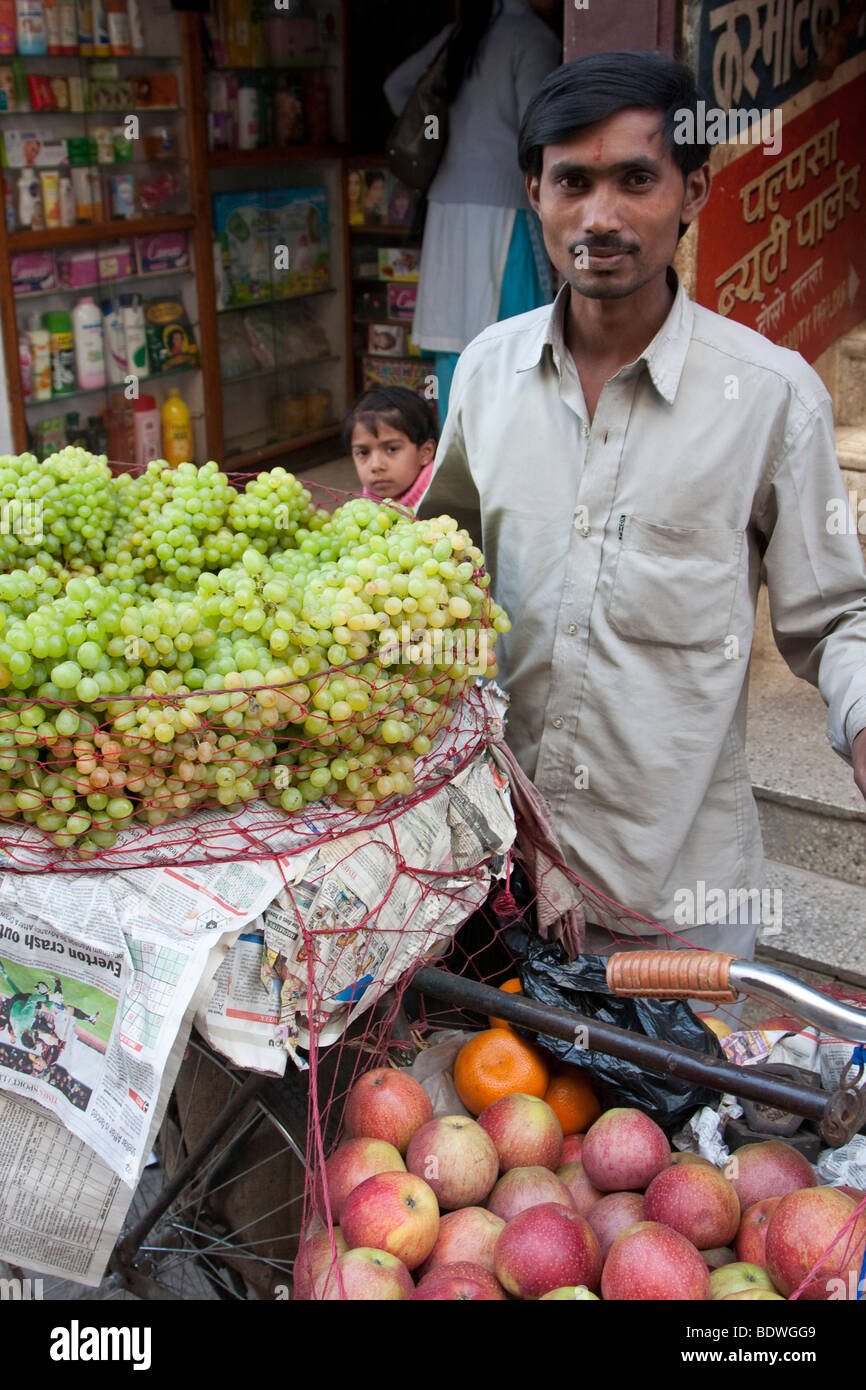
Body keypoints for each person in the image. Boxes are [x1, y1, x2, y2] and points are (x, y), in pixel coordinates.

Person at [418, 52, 866, 968]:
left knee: (681, 1112)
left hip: (672, 892)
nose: (602, 217)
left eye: (636, 180)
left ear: (692, 189)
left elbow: (837, 616)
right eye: (573, 182)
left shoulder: (772, 398)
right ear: (534, 192)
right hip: (491, 866)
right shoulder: (486, 373)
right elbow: (435, 563)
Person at [384, 0, 562, 418]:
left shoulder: (462, 34)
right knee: (516, 343)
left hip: (446, 208)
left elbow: (396, 87)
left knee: (453, 341)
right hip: (506, 207)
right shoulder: (532, 37)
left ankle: (457, 457)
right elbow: (537, 128)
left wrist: (453, 138)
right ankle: (508, 455)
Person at [345, 386, 438, 512]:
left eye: (392, 449)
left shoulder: (443, 503)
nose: (376, 465)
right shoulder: (366, 508)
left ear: (425, 452)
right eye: (363, 452)